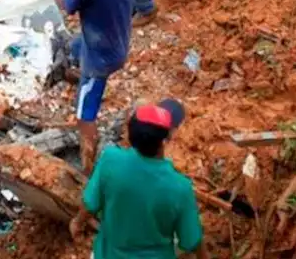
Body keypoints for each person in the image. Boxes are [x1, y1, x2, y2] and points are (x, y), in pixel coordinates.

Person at [62, 0, 143, 173]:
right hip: (119, 42)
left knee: (85, 112)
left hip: (100, 61)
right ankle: (73, 68)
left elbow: (69, 7)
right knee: (73, 45)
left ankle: (88, 165)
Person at [70, 103, 206, 258]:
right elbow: (192, 240)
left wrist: (77, 223)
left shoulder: (110, 160)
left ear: (131, 135)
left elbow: (90, 204)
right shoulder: (180, 187)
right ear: (165, 139)